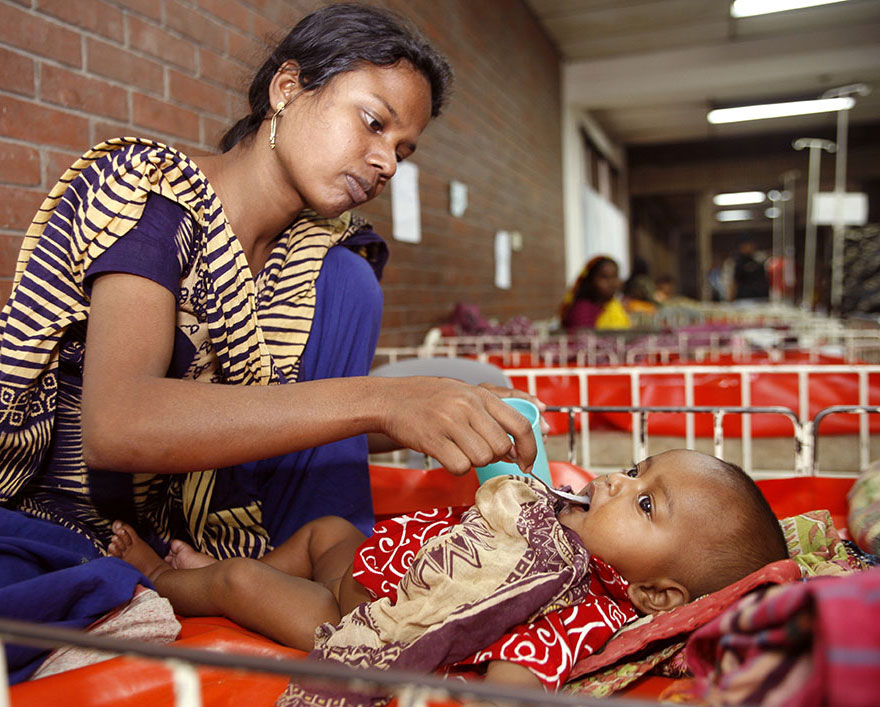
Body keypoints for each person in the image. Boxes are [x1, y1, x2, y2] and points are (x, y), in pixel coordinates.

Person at [0, 3, 543, 683]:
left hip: (225, 533)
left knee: (350, 281)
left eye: (403, 150)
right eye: (374, 122)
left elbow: (300, 421)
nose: (386, 163)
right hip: (76, 517)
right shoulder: (153, 200)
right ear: (287, 88)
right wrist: (382, 400)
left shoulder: (319, 267)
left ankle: (353, 605)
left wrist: (446, 408)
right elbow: (117, 423)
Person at [108, 448, 789, 697]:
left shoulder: (573, 602)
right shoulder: (557, 518)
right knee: (324, 532)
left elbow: (517, 681)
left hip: (366, 623)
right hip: (372, 566)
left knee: (241, 589)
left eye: (645, 501)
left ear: (654, 593)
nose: (616, 479)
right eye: (638, 468)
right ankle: (214, 561)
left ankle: (161, 578)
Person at [560, 255, 632, 331]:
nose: (612, 282)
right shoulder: (582, 311)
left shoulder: (615, 306)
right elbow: (584, 341)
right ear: (590, 281)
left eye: (615, 276)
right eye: (604, 277)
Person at [732, 237, 769, 301]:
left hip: (761, 297)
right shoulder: (739, 263)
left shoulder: (759, 260)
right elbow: (735, 282)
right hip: (745, 298)